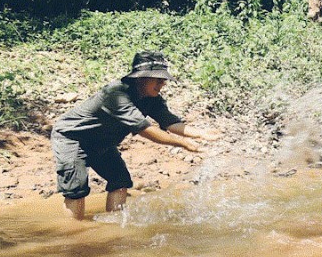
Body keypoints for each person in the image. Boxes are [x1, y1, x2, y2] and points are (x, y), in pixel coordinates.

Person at [50, 50, 220, 220]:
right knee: (76, 190)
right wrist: (182, 144)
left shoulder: (151, 98)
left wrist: (201, 134)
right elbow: (145, 130)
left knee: (120, 181)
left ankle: (114, 223)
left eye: (164, 79)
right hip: (73, 139)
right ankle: (74, 231)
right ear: (141, 78)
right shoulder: (116, 94)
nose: (163, 83)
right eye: (158, 79)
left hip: (103, 142)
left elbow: (170, 122)